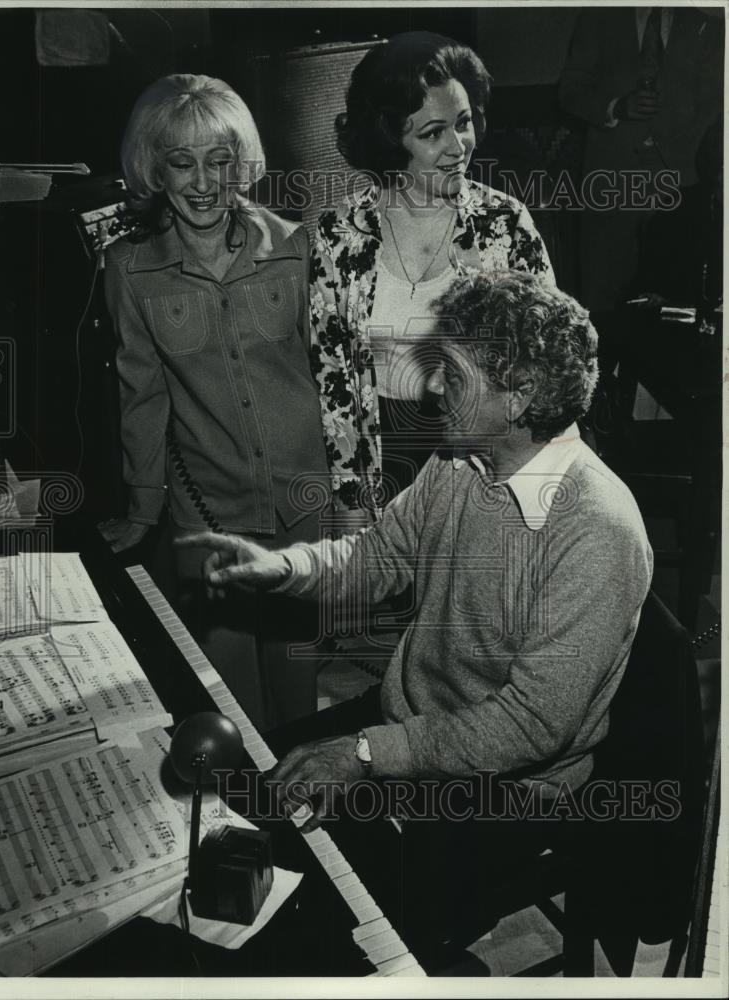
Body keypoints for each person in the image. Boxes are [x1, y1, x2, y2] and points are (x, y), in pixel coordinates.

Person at [182, 270, 654, 965]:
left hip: (507, 794)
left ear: (517, 396)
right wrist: (275, 567)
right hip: (408, 728)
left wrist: (367, 754)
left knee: (319, 939)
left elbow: (531, 725)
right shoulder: (460, 464)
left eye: (453, 375)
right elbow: (373, 559)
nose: (434, 389)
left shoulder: (596, 530)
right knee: (238, 803)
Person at [98, 74, 330, 730]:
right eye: (182, 162)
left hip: (300, 497)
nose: (203, 182)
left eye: (220, 161)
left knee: (294, 688)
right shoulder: (127, 267)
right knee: (229, 700)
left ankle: (300, 817)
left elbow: (332, 376)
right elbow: (139, 397)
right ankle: (249, 823)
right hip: (205, 504)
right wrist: (143, 511)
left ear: (241, 164)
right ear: (154, 169)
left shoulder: (293, 246)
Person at [310, 31, 554, 523]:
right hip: (380, 454)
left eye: (463, 124)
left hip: (482, 455)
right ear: (389, 137)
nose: (457, 147)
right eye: (432, 133)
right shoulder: (339, 235)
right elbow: (333, 379)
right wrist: (351, 502)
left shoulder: (506, 225)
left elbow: (546, 362)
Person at [559, 6, 723, 313]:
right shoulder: (597, 19)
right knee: (602, 300)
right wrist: (615, 107)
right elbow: (569, 91)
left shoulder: (707, 27)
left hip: (681, 184)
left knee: (676, 304)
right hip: (610, 181)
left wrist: (680, 152)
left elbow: (713, 103)